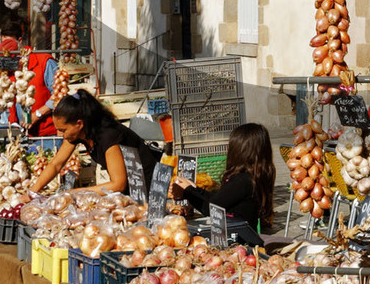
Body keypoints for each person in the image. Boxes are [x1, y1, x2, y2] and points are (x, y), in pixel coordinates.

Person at [27, 90, 158, 198]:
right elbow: (56, 164)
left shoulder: (109, 136)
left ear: (79, 124)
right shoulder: (78, 134)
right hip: (129, 191)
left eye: (63, 130)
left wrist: (74, 193)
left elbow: (118, 184)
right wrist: (32, 192)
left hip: (148, 190)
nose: (60, 135)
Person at [173, 121, 278, 243]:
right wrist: (193, 190)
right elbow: (220, 199)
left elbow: (212, 208)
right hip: (243, 236)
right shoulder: (252, 177)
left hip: (240, 242)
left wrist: (188, 191)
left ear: (237, 151)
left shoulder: (242, 181)